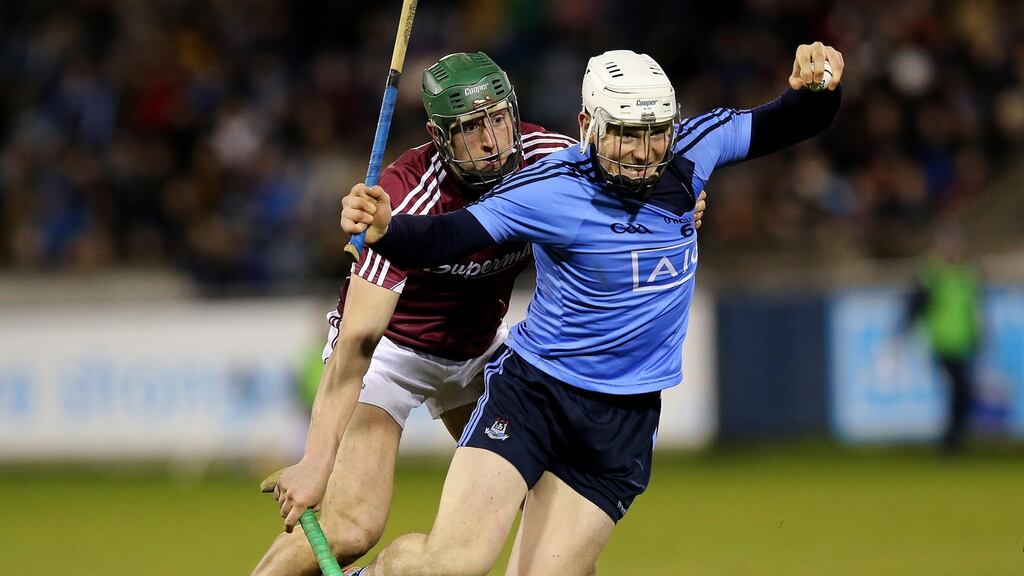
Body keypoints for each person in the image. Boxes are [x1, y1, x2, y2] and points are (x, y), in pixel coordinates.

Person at [340, 43, 843, 575]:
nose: (643, 151)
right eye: (625, 133)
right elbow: (446, 237)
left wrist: (820, 86)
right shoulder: (550, 188)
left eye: (654, 132)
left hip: (621, 424)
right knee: (453, 566)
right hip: (532, 397)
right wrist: (387, 229)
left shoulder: (694, 149)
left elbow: (792, 119)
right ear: (589, 125)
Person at [253, 51, 708, 575]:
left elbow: (642, 176)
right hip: (394, 357)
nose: (491, 141)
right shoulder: (403, 199)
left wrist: (684, 198)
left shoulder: (552, 158)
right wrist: (316, 461)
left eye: (498, 119)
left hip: (482, 351)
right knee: (351, 528)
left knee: (559, 529)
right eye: (470, 128)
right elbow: (358, 340)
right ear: (438, 135)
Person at [904, 220, 982, 452]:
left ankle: (953, 439)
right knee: (959, 390)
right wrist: (907, 330)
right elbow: (916, 304)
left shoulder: (967, 272)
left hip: (963, 342)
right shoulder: (931, 273)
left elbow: (974, 309)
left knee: (962, 392)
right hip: (940, 343)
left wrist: (978, 336)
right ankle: (951, 441)